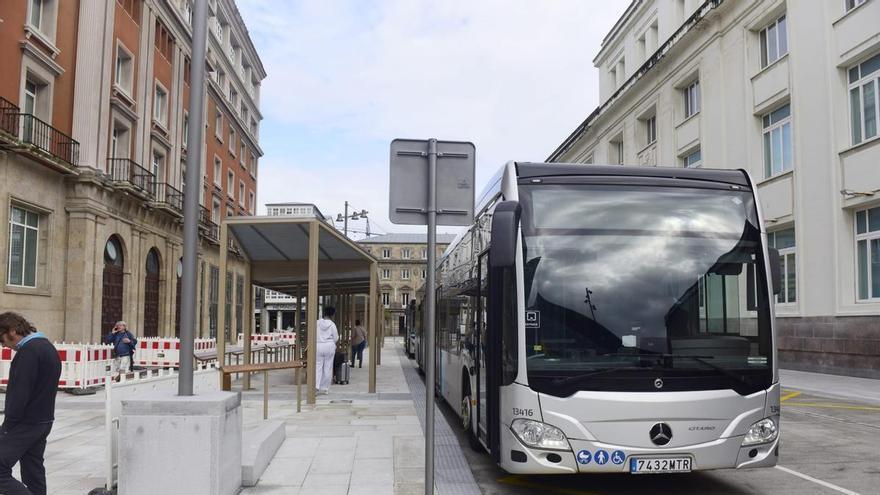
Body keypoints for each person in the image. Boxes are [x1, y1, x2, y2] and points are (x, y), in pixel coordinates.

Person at [0, 312, 62, 495]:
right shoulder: (47, 347)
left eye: (1, 339)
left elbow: (20, 393)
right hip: (43, 421)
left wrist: (7, 427)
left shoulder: (28, 352)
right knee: (33, 471)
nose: (3, 345)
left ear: (12, 331)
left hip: (25, 423)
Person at [315, 306, 339, 395]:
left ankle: (316, 387)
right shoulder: (332, 324)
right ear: (332, 314)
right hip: (329, 346)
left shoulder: (317, 323)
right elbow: (336, 337)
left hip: (318, 346)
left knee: (318, 367)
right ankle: (325, 388)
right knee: (328, 367)